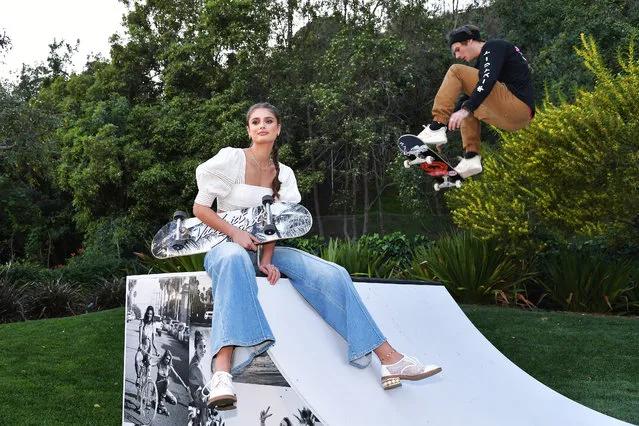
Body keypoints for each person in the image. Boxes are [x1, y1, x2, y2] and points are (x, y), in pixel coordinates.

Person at [192, 102, 442, 411]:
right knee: (231, 258)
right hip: (226, 247)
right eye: (255, 121)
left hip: (260, 250)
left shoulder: (283, 174)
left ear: (278, 129)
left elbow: (278, 224)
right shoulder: (230, 159)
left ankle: (390, 359)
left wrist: (267, 259)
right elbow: (200, 209)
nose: (262, 126)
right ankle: (221, 370)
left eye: (269, 120)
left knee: (332, 273)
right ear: (248, 129)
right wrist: (235, 234)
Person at [417, 24, 535, 178]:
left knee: (456, 71)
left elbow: (488, 80)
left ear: (470, 41)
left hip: (517, 104)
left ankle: (436, 126)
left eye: (458, 49)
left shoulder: (494, 46)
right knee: (469, 105)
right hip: (516, 118)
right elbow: (471, 96)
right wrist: (447, 126)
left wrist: (441, 124)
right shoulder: (486, 61)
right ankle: (471, 158)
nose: (458, 56)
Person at [155, 349, 189, 417]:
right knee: (166, 381)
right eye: (166, 358)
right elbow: (152, 364)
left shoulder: (169, 367)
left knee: (174, 402)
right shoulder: (159, 363)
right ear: (164, 357)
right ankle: (161, 402)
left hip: (164, 389)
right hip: (158, 385)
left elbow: (177, 376)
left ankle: (160, 403)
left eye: (169, 359)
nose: (167, 360)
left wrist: (185, 386)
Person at [135, 305, 159, 387]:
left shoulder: (153, 324)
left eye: (151, 314)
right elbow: (140, 335)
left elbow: (154, 340)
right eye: (148, 313)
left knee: (149, 367)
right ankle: (138, 377)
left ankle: (146, 386)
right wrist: (140, 344)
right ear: (146, 313)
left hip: (149, 350)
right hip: (142, 348)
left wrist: (156, 350)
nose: (149, 315)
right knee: (137, 360)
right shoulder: (142, 322)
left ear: (152, 315)